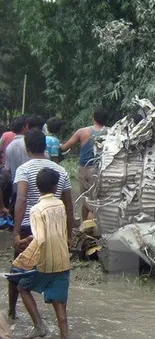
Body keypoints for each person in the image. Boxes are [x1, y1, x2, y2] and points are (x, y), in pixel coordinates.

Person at [9, 130, 74, 321]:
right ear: (45, 146)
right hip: (55, 230)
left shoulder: (24, 169)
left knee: (17, 272)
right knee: (56, 272)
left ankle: (12, 311)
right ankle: (62, 323)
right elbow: (68, 207)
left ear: (27, 148)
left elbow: (20, 201)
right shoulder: (61, 171)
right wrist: (68, 236)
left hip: (30, 228)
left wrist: (15, 233)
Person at [13, 167, 71, 339]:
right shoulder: (60, 204)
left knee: (22, 286)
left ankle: (39, 326)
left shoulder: (36, 210)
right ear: (55, 187)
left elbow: (41, 239)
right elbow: (53, 232)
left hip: (45, 263)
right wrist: (30, 238)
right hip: (63, 260)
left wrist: (24, 259)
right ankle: (65, 336)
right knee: (60, 304)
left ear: (37, 187)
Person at [61, 107, 108, 220]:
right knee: (99, 200)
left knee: (86, 199)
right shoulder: (112, 132)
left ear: (93, 118)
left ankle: (86, 228)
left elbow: (64, 147)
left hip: (86, 170)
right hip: (104, 170)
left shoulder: (83, 132)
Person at [5, 117, 30, 183]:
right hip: (30, 184)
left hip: (15, 185)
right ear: (24, 127)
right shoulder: (28, 143)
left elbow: (8, 169)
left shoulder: (9, 147)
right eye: (27, 126)